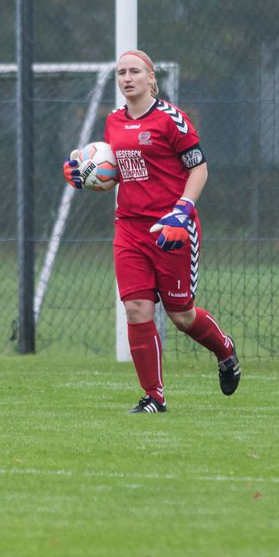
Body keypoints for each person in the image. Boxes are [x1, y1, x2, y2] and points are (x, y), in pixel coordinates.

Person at [64, 49, 240, 413]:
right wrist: (84, 174)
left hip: (171, 229)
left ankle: (225, 350)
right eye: (121, 73)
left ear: (150, 78)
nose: (127, 78)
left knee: (181, 317)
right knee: (137, 311)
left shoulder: (171, 120)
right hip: (128, 228)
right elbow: (116, 172)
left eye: (134, 72)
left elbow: (199, 170)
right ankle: (154, 397)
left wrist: (181, 212)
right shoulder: (113, 122)